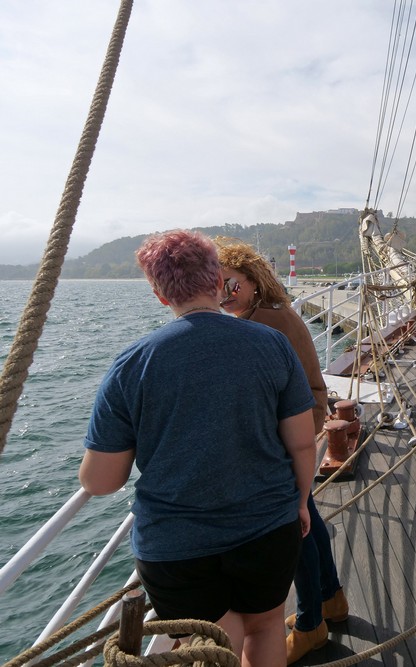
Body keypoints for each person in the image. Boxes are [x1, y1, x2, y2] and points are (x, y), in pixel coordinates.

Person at [79, 230, 316, 667]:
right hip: (268, 527)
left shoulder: (133, 364)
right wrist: (300, 502)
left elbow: (101, 480)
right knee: (265, 628)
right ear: (217, 282)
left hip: (177, 548)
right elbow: (303, 441)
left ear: (158, 293)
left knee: (213, 647)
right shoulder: (270, 345)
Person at [216, 241, 348, 664]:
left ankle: (311, 625)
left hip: (291, 430)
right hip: (300, 419)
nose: (223, 294)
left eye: (230, 284)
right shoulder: (267, 313)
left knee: (295, 530)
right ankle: (331, 600)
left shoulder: (266, 322)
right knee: (308, 512)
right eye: (216, 285)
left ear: (254, 282)